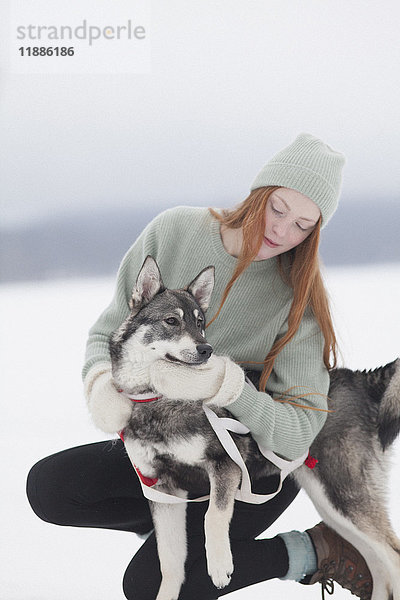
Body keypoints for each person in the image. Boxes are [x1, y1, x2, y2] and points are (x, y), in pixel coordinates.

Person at [27, 133, 373, 599]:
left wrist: (229, 386)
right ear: (259, 193)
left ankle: (313, 550)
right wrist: (100, 385)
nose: (282, 231)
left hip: (250, 468)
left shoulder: (296, 298)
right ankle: (168, 527)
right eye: (278, 208)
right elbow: (108, 330)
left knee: (150, 588)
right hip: (167, 447)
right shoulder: (173, 232)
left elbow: (299, 432)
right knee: (50, 488)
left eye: (303, 226)